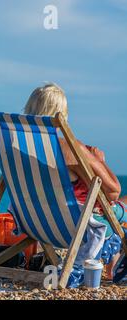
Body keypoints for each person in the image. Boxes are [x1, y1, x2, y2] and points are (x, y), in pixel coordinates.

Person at [23, 83, 126, 283]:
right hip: (75, 226)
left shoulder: (17, 147)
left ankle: (114, 262)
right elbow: (113, 191)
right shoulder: (68, 147)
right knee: (118, 208)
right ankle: (117, 263)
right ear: (62, 114)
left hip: (34, 222)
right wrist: (99, 160)